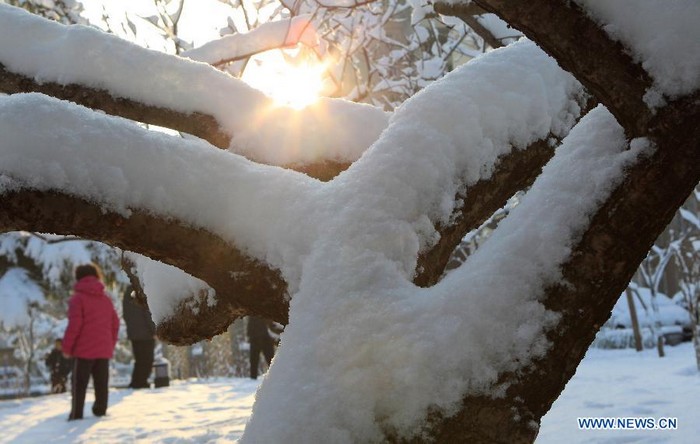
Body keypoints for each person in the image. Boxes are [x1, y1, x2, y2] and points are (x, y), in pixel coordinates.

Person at [62, 264, 119, 420]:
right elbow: (115, 324)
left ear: (78, 278)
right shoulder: (106, 300)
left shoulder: (77, 299)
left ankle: (76, 414)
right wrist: (110, 344)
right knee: (101, 383)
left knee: (79, 385)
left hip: (83, 350)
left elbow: (75, 325)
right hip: (103, 349)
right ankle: (100, 411)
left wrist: (67, 347)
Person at [122, 286, 156, 389]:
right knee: (147, 359)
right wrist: (154, 330)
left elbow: (126, 314)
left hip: (133, 332)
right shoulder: (142, 292)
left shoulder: (127, 294)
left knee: (139, 359)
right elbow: (147, 313)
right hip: (145, 333)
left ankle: (136, 381)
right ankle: (141, 382)